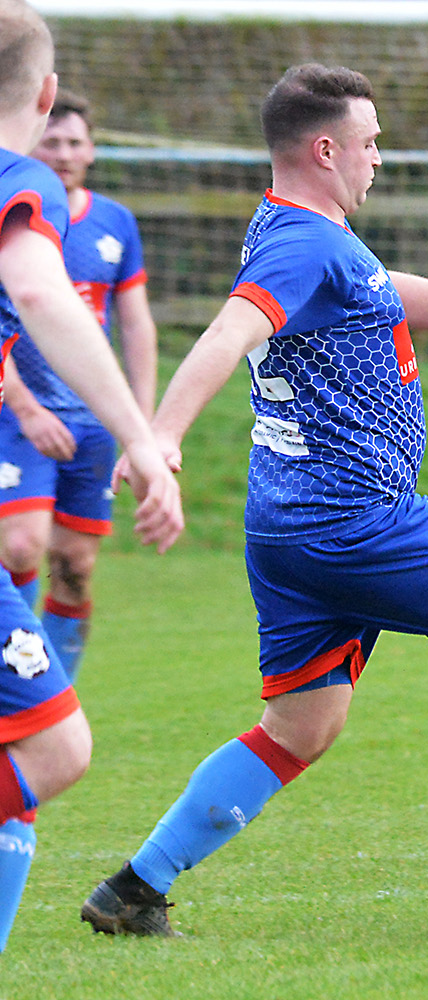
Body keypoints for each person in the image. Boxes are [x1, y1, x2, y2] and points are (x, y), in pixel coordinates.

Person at [79, 63, 428, 938]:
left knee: (298, 726)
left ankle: (134, 890)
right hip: (357, 521)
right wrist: (160, 438)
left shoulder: (302, 234)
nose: (378, 162)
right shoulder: (305, 246)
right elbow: (229, 330)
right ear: (325, 149)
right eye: (369, 145)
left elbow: (382, 291)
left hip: (286, 528)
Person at [0, 0, 183, 953]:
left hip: (70, 428)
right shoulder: (14, 176)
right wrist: (144, 442)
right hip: (31, 422)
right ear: (46, 93)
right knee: (53, 749)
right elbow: (35, 293)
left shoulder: (111, 222)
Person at [0, 89, 160, 681]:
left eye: (75, 141)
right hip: (17, 416)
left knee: (74, 566)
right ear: (30, 140)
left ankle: (52, 695)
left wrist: (139, 428)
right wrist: (25, 406)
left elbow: (137, 326)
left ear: (91, 150)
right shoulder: (17, 209)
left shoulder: (115, 223)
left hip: (91, 425)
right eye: (52, 140)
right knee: (20, 546)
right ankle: (14, 686)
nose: (63, 152)